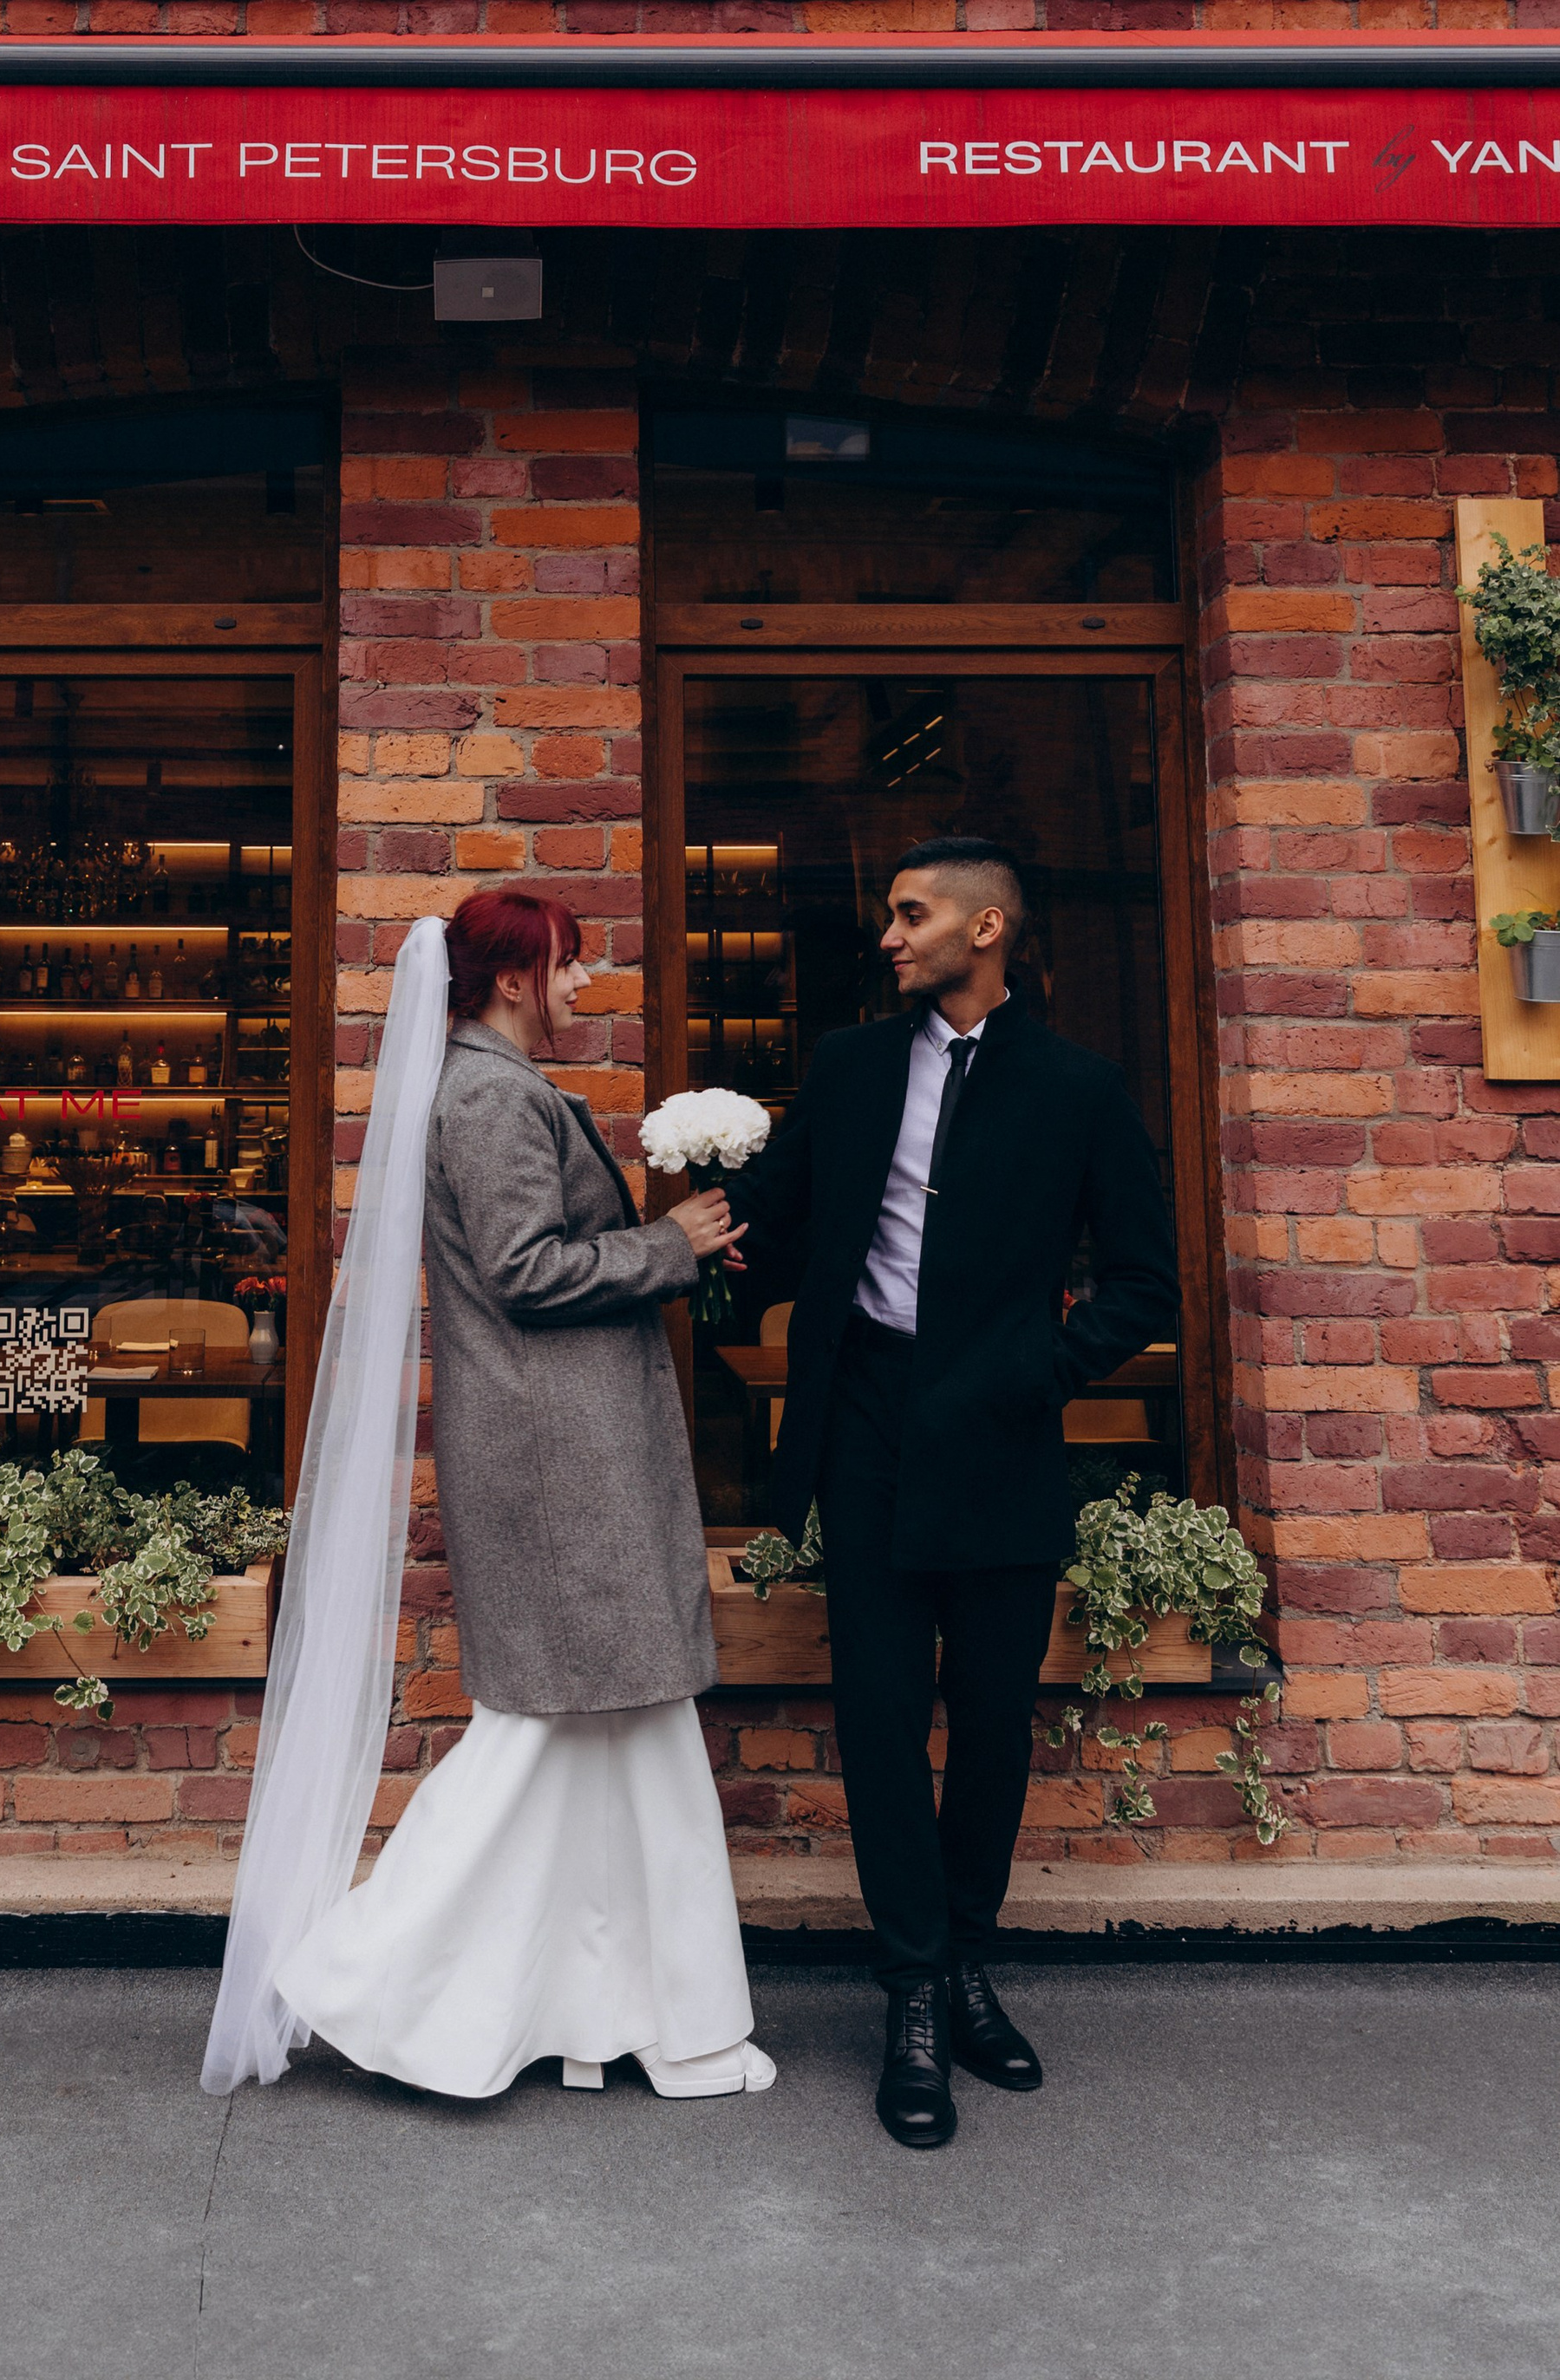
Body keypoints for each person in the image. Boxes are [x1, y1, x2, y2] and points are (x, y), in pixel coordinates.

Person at [202, 886, 772, 2101]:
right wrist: (673, 1245)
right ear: (514, 977)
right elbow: (525, 1270)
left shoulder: (486, 1086)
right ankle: (367, 1973)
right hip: (564, 1464)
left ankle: (600, 2019)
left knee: (602, 1736)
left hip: (565, 1454)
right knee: (559, 1736)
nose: (584, 987)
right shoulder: (491, 1093)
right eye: (570, 967)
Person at [724, 836, 1177, 2150]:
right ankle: (915, 1991)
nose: (889, 936)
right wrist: (676, 1188)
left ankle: (967, 1958)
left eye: (911, 914)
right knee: (877, 1717)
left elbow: (1145, 1280)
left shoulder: (1080, 1089)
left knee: (988, 1720)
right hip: (865, 1427)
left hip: (1004, 1439)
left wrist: (1038, 1367)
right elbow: (773, 1210)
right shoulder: (852, 1065)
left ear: (986, 928)